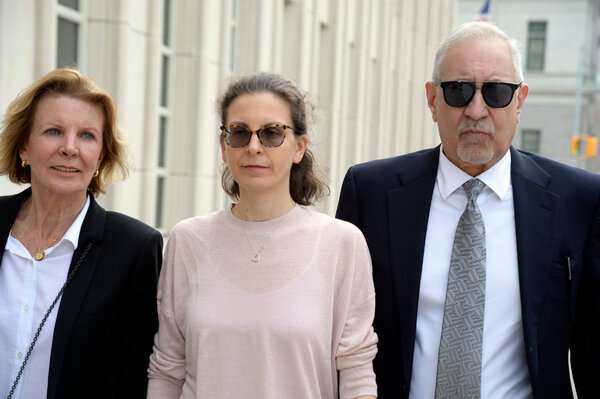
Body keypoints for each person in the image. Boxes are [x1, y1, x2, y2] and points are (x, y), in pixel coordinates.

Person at [336, 21, 600, 399]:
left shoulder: (580, 201)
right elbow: (341, 335)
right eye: (458, 91)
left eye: (496, 92)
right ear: (432, 99)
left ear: (520, 100)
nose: (477, 110)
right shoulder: (371, 193)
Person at [147, 72, 378, 399]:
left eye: (272, 133)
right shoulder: (188, 240)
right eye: (239, 133)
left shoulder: (341, 243)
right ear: (224, 147)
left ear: (299, 147)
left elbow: (356, 373)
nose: (254, 147)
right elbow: (168, 368)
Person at [0, 68, 163, 399]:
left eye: (87, 135)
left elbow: (133, 381)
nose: (70, 148)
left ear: (101, 156)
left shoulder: (134, 248)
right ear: (23, 148)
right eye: (53, 131)